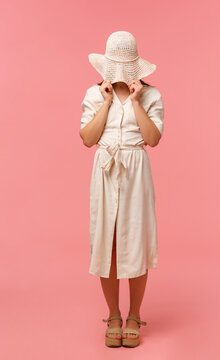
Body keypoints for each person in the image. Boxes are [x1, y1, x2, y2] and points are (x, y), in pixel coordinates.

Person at [79, 31, 164, 348]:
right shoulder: (93, 94)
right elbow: (88, 139)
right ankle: (113, 314)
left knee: (136, 241)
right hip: (105, 172)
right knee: (107, 243)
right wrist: (105, 103)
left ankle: (134, 315)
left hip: (135, 173)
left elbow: (152, 139)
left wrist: (138, 101)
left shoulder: (152, 96)